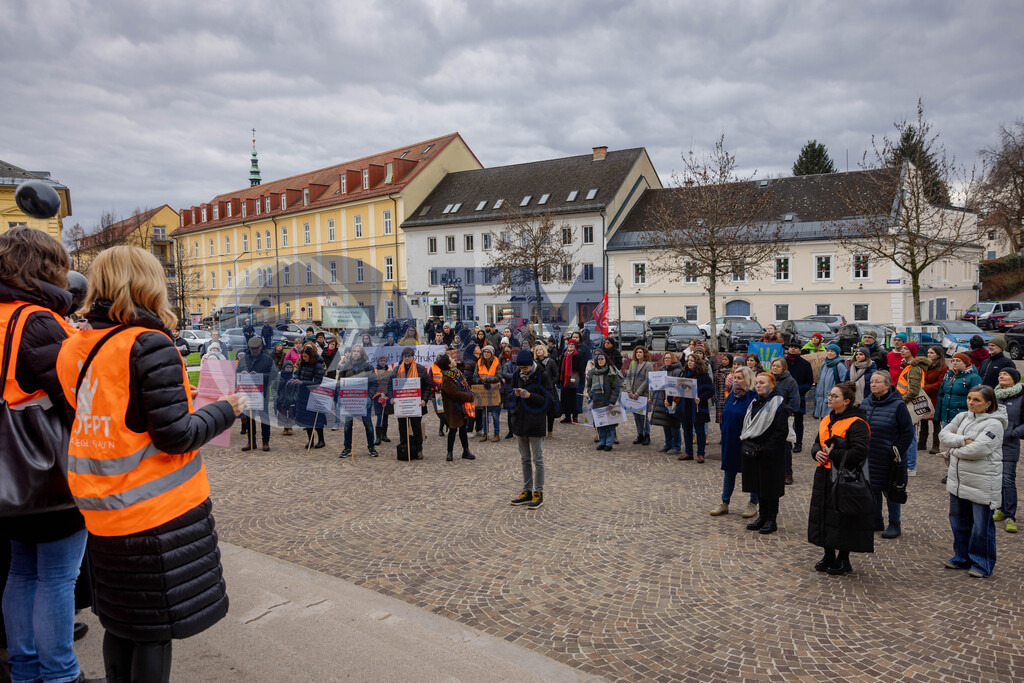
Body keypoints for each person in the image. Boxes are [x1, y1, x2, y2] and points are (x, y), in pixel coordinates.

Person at [55, 245, 242, 682]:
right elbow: (176, 436)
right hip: (155, 511)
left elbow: (95, 418)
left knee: (121, 623)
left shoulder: (75, 346)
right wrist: (226, 409)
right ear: (147, 283)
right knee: (154, 631)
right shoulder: (148, 344)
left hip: (101, 510)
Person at [0, 227, 93, 683]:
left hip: (6, 473)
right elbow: (75, 399)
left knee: (21, 571)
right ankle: (59, 674)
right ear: (45, 267)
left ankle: (24, 669)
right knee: (57, 577)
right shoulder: (36, 320)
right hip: (45, 473)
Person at [939, 384, 1005, 578]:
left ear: (988, 404)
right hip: (959, 482)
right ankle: (961, 557)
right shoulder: (961, 417)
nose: (971, 402)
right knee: (959, 522)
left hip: (982, 482)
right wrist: (963, 441)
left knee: (981, 526)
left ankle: (982, 563)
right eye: (969, 398)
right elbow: (943, 435)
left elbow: (978, 450)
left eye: (976, 400)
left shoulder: (994, 424)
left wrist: (954, 449)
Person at [809, 381, 873, 576]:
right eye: (829, 394)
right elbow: (816, 444)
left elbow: (859, 453)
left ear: (846, 401)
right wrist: (817, 453)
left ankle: (843, 558)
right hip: (824, 474)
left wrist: (832, 453)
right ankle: (828, 553)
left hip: (845, 477)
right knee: (823, 515)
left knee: (844, 516)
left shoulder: (857, 423)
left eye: (834, 396)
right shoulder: (826, 419)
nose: (830, 398)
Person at [862, 371, 914, 539]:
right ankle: (876, 520)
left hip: (890, 457)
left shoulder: (898, 405)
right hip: (871, 454)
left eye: (877, 382)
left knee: (891, 491)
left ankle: (894, 523)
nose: (873, 385)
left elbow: (907, 432)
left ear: (887, 385)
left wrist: (896, 451)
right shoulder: (866, 403)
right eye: (871, 382)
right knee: (873, 488)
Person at [740, 372, 789, 535]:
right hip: (755, 451)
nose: (759, 385)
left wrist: (766, 448)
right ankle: (762, 516)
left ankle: (771, 519)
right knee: (758, 485)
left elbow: (781, 431)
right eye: (758, 383)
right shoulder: (755, 401)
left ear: (773, 385)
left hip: (771, 453)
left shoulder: (778, 403)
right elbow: (749, 425)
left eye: (763, 382)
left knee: (770, 487)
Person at [710, 366, 760, 519]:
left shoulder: (753, 397)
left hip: (746, 442)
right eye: (735, 378)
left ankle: (753, 504)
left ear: (748, 379)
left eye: (739, 378)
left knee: (751, 473)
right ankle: (724, 502)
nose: (736, 380)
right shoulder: (732, 394)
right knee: (729, 472)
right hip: (729, 440)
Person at [510, 349, 554, 510]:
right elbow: (510, 395)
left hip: (536, 421)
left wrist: (530, 396)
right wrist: (514, 395)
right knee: (524, 459)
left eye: (525, 368)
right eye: (521, 368)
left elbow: (549, 401)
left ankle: (538, 493)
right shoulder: (516, 374)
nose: (523, 371)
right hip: (520, 420)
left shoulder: (542, 375)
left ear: (531, 364)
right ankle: (527, 491)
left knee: (538, 459)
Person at [388, 347, 431, 460]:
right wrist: (391, 397)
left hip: (416, 405)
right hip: (401, 405)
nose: (406, 358)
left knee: (416, 428)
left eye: (408, 356)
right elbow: (390, 385)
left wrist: (424, 399)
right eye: (404, 356)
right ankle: (404, 447)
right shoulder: (397, 370)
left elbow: (427, 385)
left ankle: (418, 449)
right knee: (402, 427)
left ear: (413, 357)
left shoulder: (420, 369)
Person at [235, 336, 278, 451]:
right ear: (249, 347)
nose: (254, 351)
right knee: (249, 418)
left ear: (261, 347)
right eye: (252, 348)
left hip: (262, 394)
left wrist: (259, 375)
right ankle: (251, 441)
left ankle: (265, 441)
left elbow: (274, 374)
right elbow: (236, 374)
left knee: (264, 418)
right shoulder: (244, 359)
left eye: (256, 348)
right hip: (248, 394)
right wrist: (241, 375)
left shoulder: (267, 359)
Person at [994, 368, 1022, 534]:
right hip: (992, 443)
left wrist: (1013, 432)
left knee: (1008, 479)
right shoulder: (994, 395)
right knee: (996, 478)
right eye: (999, 374)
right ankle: (1001, 509)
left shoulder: (1021, 396)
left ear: (1014, 379)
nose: (1001, 376)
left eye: (1005, 374)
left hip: (1010, 444)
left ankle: (1010, 516)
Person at [435, 352, 476, 462]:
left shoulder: (456, 372)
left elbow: (464, 383)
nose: (453, 359)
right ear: (449, 365)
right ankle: (449, 452)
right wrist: (470, 397)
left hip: (461, 407)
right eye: (451, 359)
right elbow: (456, 394)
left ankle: (466, 450)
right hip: (453, 408)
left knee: (463, 429)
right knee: (453, 430)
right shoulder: (447, 378)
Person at [339, 345, 378, 458]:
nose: (356, 353)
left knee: (368, 425)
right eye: (354, 351)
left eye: (358, 351)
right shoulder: (345, 367)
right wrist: (341, 396)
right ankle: (347, 448)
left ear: (362, 354)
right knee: (347, 425)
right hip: (349, 401)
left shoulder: (368, 367)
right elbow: (339, 383)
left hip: (364, 401)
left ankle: (371, 447)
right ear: (351, 353)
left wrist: (369, 397)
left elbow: (374, 384)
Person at [896, 341, 929, 476]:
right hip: (904, 403)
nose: (902, 350)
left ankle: (910, 466)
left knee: (910, 436)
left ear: (912, 351)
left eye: (905, 348)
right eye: (902, 348)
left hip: (907, 404)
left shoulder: (914, 368)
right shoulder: (909, 366)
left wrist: (899, 401)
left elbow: (914, 390)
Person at [678, 354, 714, 462]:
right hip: (686, 406)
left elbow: (710, 390)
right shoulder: (683, 373)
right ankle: (688, 452)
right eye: (688, 360)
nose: (689, 362)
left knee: (699, 431)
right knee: (686, 430)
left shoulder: (703, 375)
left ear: (697, 362)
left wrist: (701, 398)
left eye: (692, 361)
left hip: (698, 407)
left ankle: (700, 454)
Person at [771, 357, 800, 485]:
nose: (775, 368)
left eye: (778, 366)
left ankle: (787, 472)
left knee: (785, 446)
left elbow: (795, 402)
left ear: (784, 368)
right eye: (773, 366)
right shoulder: (768, 379)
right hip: (768, 417)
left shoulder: (790, 381)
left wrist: (782, 412)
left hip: (783, 417)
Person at [587, 349, 622, 451]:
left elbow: (616, 388)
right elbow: (588, 386)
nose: (600, 361)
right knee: (600, 423)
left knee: (610, 424)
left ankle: (609, 443)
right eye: (598, 359)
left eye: (602, 359)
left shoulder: (612, 372)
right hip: (597, 401)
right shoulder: (592, 372)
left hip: (608, 401)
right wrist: (591, 395)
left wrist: (612, 401)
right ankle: (602, 442)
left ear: (606, 360)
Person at [293, 342, 326, 449]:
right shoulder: (303, 363)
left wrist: (302, 382)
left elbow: (318, 381)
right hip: (303, 394)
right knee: (306, 418)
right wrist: (295, 378)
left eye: (305, 356)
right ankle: (310, 439)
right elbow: (298, 373)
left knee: (317, 418)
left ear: (311, 356)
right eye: (302, 356)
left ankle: (321, 440)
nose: (303, 358)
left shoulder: (318, 365)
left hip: (315, 395)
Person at [937, 353, 983, 428]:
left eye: (958, 361)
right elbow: (941, 395)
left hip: (963, 417)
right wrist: (939, 414)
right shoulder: (949, 376)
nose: (954, 363)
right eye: (953, 361)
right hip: (946, 416)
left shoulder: (974, 378)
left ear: (965, 363)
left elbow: (977, 398)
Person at [784, 342, 813, 454]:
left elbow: (809, 381)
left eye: (795, 348)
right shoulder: (783, 363)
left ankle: (798, 442)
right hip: (785, 397)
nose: (792, 349)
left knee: (798, 421)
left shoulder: (805, 364)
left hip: (799, 397)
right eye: (791, 347)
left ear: (799, 350)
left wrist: (797, 392)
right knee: (785, 420)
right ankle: (787, 442)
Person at [652, 352, 683, 455]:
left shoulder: (677, 371)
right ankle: (668, 443)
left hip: (672, 401)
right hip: (663, 400)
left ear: (673, 359)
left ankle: (676, 446)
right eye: (665, 358)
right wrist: (653, 397)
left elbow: (677, 387)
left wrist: (671, 400)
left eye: (669, 358)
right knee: (665, 423)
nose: (666, 360)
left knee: (674, 425)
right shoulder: (661, 370)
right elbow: (657, 386)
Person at [622, 346, 653, 445]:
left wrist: (638, 393)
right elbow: (628, 377)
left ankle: (647, 435)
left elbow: (647, 380)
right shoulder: (633, 363)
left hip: (642, 394)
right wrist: (629, 390)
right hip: (632, 393)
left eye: (640, 352)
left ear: (644, 354)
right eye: (637, 352)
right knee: (636, 415)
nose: (638, 354)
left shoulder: (648, 365)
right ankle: (639, 434)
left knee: (643, 416)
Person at [921, 345, 948, 454]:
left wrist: (925, 388)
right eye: (928, 353)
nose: (929, 355)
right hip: (924, 396)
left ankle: (935, 445)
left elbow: (940, 384)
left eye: (932, 353)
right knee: (922, 418)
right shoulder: (925, 366)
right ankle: (921, 443)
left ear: (938, 354)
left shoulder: (943, 367)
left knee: (935, 421)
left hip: (936, 397)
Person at [473, 345, 502, 442]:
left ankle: (496, 434)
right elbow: (475, 376)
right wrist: (480, 381)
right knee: (484, 414)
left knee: (495, 414)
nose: (486, 353)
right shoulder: (479, 362)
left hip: (494, 389)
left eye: (488, 352)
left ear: (492, 353)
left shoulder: (497, 362)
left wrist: (487, 380)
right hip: (483, 390)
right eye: (484, 352)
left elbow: (499, 376)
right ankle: (485, 433)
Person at [813, 344, 848, 419]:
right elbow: (819, 379)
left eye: (832, 351)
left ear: (837, 353)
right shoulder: (824, 364)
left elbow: (844, 382)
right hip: (822, 399)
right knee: (823, 422)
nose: (829, 353)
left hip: (832, 398)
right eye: (828, 351)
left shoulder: (839, 365)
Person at [533, 343, 560, 437]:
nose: (538, 351)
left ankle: (550, 431)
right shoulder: (534, 363)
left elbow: (556, 375)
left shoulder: (550, 362)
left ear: (543, 350)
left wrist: (550, 384)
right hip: (538, 390)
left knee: (550, 411)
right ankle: (541, 430)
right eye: (537, 350)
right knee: (540, 411)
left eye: (540, 349)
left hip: (549, 389)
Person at [558, 339, 584, 423]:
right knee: (565, 399)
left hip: (574, 380)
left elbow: (581, 370)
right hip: (565, 380)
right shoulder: (564, 355)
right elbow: (560, 368)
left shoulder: (578, 356)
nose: (570, 346)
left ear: (575, 346)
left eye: (572, 344)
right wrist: (559, 380)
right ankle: (567, 416)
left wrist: (582, 382)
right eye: (569, 344)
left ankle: (575, 417)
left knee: (574, 399)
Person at [372, 354, 392, 445]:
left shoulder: (389, 371)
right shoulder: (374, 371)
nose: (383, 362)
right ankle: (378, 437)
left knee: (386, 416)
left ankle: (384, 435)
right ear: (378, 361)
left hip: (387, 396)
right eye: (381, 361)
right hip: (377, 397)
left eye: (384, 361)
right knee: (379, 416)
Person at [275, 360, 298, 436]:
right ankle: (285, 428)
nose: (289, 369)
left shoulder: (294, 377)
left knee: (291, 413)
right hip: (281, 398)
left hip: (291, 398)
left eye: (290, 367)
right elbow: (273, 387)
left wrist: (294, 398)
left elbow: (297, 389)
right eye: (287, 367)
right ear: (284, 368)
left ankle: (290, 427)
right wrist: (277, 397)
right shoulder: (279, 376)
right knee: (282, 413)